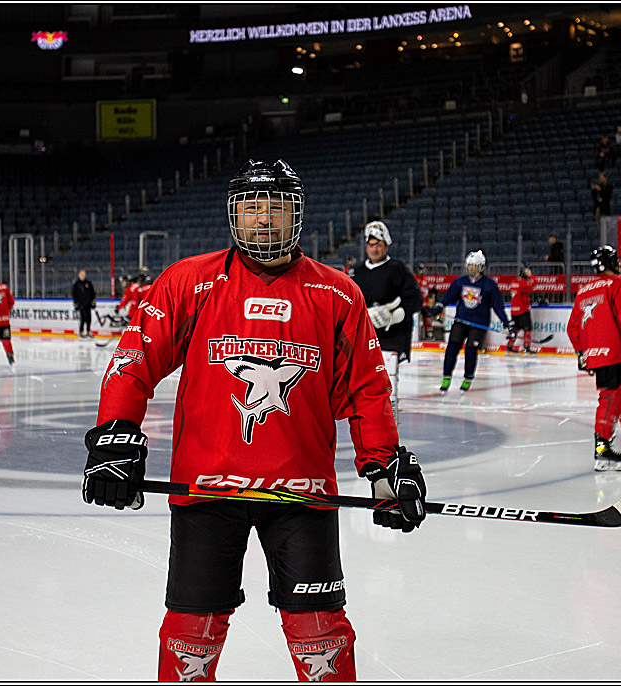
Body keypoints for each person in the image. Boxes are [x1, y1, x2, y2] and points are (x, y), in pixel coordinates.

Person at [80, 159, 427, 682]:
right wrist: (116, 440)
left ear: (297, 216)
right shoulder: (190, 282)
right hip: (207, 492)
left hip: (303, 493)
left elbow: (368, 390)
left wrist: (384, 467)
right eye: (251, 206)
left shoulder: (337, 294)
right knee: (189, 637)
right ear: (234, 214)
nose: (263, 219)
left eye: (276, 207)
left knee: (322, 640)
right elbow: (132, 364)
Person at [566, 246, 621, 472]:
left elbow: (572, 328)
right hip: (612, 350)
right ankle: (602, 448)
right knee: (610, 396)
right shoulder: (619, 283)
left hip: (595, 353)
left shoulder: (584, 290)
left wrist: (582, 353)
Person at [351, 220, 422, 424]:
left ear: (386, 246)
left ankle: (389, 425)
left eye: (379, 244)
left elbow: (415, 299)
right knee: (363, 383)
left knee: (387, 382)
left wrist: (396, 315)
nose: (374, 249)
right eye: (371, 244)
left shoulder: (397, 269)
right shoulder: (356, 272)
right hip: (363, 337)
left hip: (392, 337)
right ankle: (366, 422)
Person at [426, 250, 513, 392]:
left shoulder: (489, 284)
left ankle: (468, 378)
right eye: (469, 265)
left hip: (479, 324)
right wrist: (439, 306)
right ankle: (447, 377)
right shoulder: (460, 282)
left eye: (474, 265)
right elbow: (448, 297)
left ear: (481, 267)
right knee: (452, 349)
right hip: (461, 321)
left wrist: (507, 323)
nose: (471, 268)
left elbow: (498, 306)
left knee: (471, 351)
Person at [506, 266, 537, 355]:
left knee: (516, 329)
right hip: (523, 311)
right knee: (528, 329)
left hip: (514, 311)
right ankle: (526, 347)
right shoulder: (523, 283)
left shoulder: (513, 282)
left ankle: (510, 346)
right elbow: (534, 283)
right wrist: (530, 276)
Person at [71, 268, 97, 339]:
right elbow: (74, 295)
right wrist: (76, 303)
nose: (83, 275)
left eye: (84, 274)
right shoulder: (76, 284)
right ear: (79, 275)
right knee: (83, 318)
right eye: (82, 274)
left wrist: (93, 302)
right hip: (81, 304)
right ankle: (81, 331)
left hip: (88, 304)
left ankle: (88, 331)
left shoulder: (88, 283)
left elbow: (93, 294)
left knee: (89, 318)